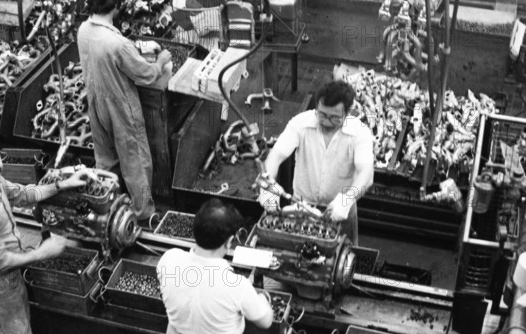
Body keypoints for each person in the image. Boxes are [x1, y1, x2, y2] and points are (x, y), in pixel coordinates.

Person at [0, 133, 96, 334]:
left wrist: (62, 184)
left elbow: (23, 194)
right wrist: (44, 252)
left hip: (9, 281)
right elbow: (0, 261)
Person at [77, 0, 172, 219]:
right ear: (118, 5)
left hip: (96, 103)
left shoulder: (84, 30)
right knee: (136, 163)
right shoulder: (117, 45)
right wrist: (162, 59)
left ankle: (106, 204)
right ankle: (143, 212)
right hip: (121, 109)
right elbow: (147, 75)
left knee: (106, 158)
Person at [257, 80, 374, 245]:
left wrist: (347, 199)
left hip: (340, 211)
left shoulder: (359, 133)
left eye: (334, 118)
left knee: (344, 259)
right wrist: (267, 186)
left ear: (347, 113)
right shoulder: (300, 123)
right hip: (300, 207)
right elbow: (275, 156)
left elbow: (366, 174)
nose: (326, 121)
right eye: (322, 114)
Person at [157, 198, 273, 334]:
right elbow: (266, 322)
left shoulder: (169, 260)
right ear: (229, 241)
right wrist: (262, 298)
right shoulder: (237, 286)